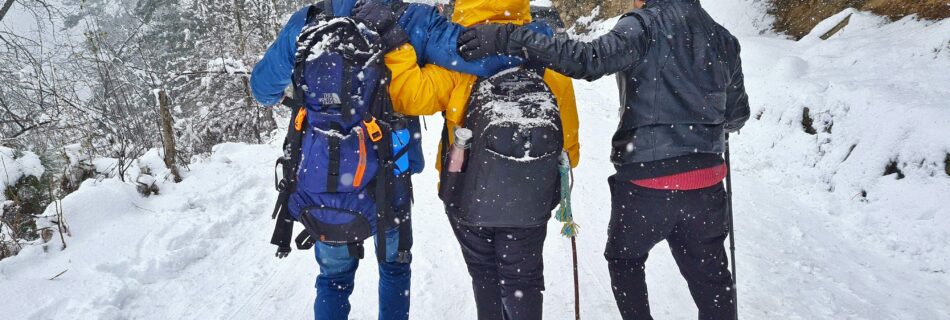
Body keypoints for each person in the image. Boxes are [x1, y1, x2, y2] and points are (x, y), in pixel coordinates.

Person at [457, 0, 751, 319]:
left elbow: (587, 60)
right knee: (712, 279)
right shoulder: (722, 37)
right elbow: (736, 115)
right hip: (705, 182)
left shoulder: (642, 26)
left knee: (625, 261)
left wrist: (511, 36)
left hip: (646, 180)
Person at [248, 0, 498, 319]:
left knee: (333, 279)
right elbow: (476, 59)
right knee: (394, 269)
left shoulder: (307, 22)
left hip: (325, 177)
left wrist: (297, 99)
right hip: (388, 175)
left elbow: (262, 89)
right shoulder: (411, 19)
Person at [357, 1, 581, 319]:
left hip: (468, 195)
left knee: (484, 275)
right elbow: (568, 147)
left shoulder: (461, 55)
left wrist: (396, 42)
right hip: (529, 201)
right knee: (525, 280)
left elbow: (405, 93)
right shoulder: (546, 56)